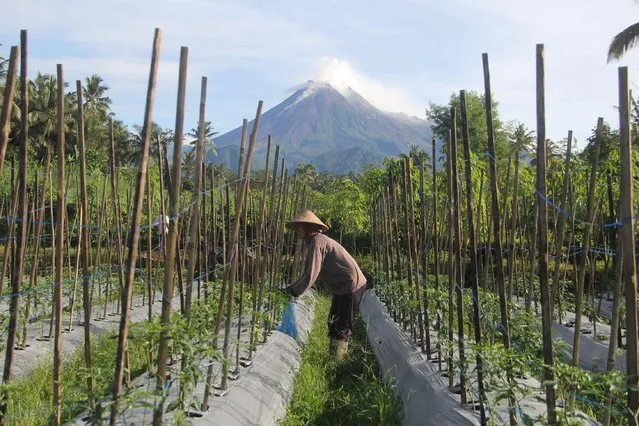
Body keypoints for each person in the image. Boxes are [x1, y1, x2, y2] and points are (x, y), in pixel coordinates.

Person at [284, 210, 367, 361]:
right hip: (343, 286)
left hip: (351, 285)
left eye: (299, 227)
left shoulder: (317, 243)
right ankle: (332, 358)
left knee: (342, 325)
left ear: (308, 228)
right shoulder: (316, 242)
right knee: (333, 321)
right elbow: (308, 273)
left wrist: (292, 292)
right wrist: (292, 288)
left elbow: (311, 276)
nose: (296, 231)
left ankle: (338, 363)